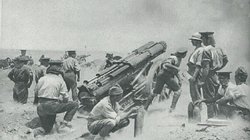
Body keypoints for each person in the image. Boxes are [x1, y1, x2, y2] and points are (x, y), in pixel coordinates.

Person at [35, 60, 79, 135]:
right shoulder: (60, 80)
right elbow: (66, 97)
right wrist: (61, 103)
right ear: (59, 72)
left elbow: (36, 92)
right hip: (52, 106)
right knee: (74, 104)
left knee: (47, 129)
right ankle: (63, 126)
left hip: (40, 107)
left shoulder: (41, 79)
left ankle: (32, 132)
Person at [144, 48, 188, 112]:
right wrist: (176, 68)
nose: (185, 55)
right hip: (166, 76)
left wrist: (179, 79)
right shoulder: (173, 58)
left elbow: (175, 71)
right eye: (185, 54)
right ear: (181, 54)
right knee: (178, 91)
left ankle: (145, 108)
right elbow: (166, 65)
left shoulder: (178, 59)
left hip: (162, 75)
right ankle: (172, 109)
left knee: (155, 92)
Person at [199, 32, 228, 118]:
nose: (202, 41)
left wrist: (202, 81)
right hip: (216, 76)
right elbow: (226, 60)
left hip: (209, 77)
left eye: (203, 39)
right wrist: (218, 68)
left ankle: (211, 118)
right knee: (216, 98)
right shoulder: (219, 49)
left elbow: (206, 68)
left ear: (207, 39)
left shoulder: (206, 50)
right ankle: (217, 117)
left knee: (209, 99)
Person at [187, 32, 204, 103]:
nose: (191, 41)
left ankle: (197, 110)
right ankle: (196, 109)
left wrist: (194, 77)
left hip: (195, 74)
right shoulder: (197, 49)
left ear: (198, 41)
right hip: (192, 73)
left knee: (196, 94)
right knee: (193, 94)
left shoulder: (200, 50)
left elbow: (198, 65)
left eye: (193, 40)